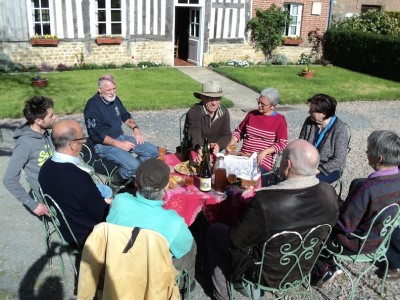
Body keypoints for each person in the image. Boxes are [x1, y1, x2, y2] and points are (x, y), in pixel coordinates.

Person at [207, 139, 339, 300]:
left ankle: (221, 295)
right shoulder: (329, 192)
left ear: (288, 164)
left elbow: (236, 239)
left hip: (266, 272)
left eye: (282, 157)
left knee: (215, 231)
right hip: (304, 264)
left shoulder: (266, 201)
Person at [312, 130, 400, 286]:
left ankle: (325, 266)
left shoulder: (368, 189)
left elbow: (345, 226)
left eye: (368, 149)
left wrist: (328, 210)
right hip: (382, 239)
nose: (366, 152)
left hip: (359, 243)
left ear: (379, 158)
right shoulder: (395, 181)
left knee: (315, 225)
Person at [107, 158, 197, 290]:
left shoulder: (120, 201)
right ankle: (184, 283)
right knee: (190, 244)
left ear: (136, 182)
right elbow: (184, 247)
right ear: (166, 187)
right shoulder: (173, 221)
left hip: (120, 265)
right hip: (152, 277)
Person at [38, 119, 110, 248]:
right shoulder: (78, 177)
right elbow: (101, 213)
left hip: (66, 229)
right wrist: (109, 203)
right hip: (86, 235)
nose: (83, 142)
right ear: (72, 144)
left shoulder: (46, 167)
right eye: (81, 138)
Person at [84, 74, 158, 186]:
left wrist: (135, 129)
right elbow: (96, 135)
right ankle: (114, 183)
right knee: (133, 166)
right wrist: (119, 144)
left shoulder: (114, 99)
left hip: (120, 137)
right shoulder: (92, 106)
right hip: (103, 145)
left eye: (114, 89)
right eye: (108, 90)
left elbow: (125, 115)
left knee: (153, 151)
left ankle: (130, 171)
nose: (112, 92)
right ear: (100, 90)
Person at [3, 96, 57, 217]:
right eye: (51, 116)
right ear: (39, 121)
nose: (55, 117)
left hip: (61, 182)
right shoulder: (25, 144)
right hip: (52, 196)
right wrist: (31, 204)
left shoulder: (47, 134)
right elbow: (9, 179)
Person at [227, 87, 288, 185]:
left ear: (273, 106)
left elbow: (282, 143)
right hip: (243, 155)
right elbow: (239, 132)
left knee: (244, 178)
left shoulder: (279, 120)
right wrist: (232, 142)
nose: (259, 105)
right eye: (258, 102)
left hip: (262, 159)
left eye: (263, 104)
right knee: (224, 171)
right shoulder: (251, 115)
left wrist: (265, 152)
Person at [299, 93, 349, 183]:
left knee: (309, 183)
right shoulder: (309, 121)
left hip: (329, 169)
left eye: (312, 110)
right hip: (308, 164)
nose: (309, 112)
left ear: (324, 114)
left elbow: (338, 159)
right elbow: (300, 143)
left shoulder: (340, 129)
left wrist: (317, 170)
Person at [183, 81, 231, 162]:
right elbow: (194, 131)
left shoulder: (224, 111)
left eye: (217, 98)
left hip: (214, 153)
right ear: (202, 97)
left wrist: (219, 145)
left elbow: (227, 134)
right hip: (195, 151)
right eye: (210, 99)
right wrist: (199, 148)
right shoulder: (194, 112)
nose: (214, 103)